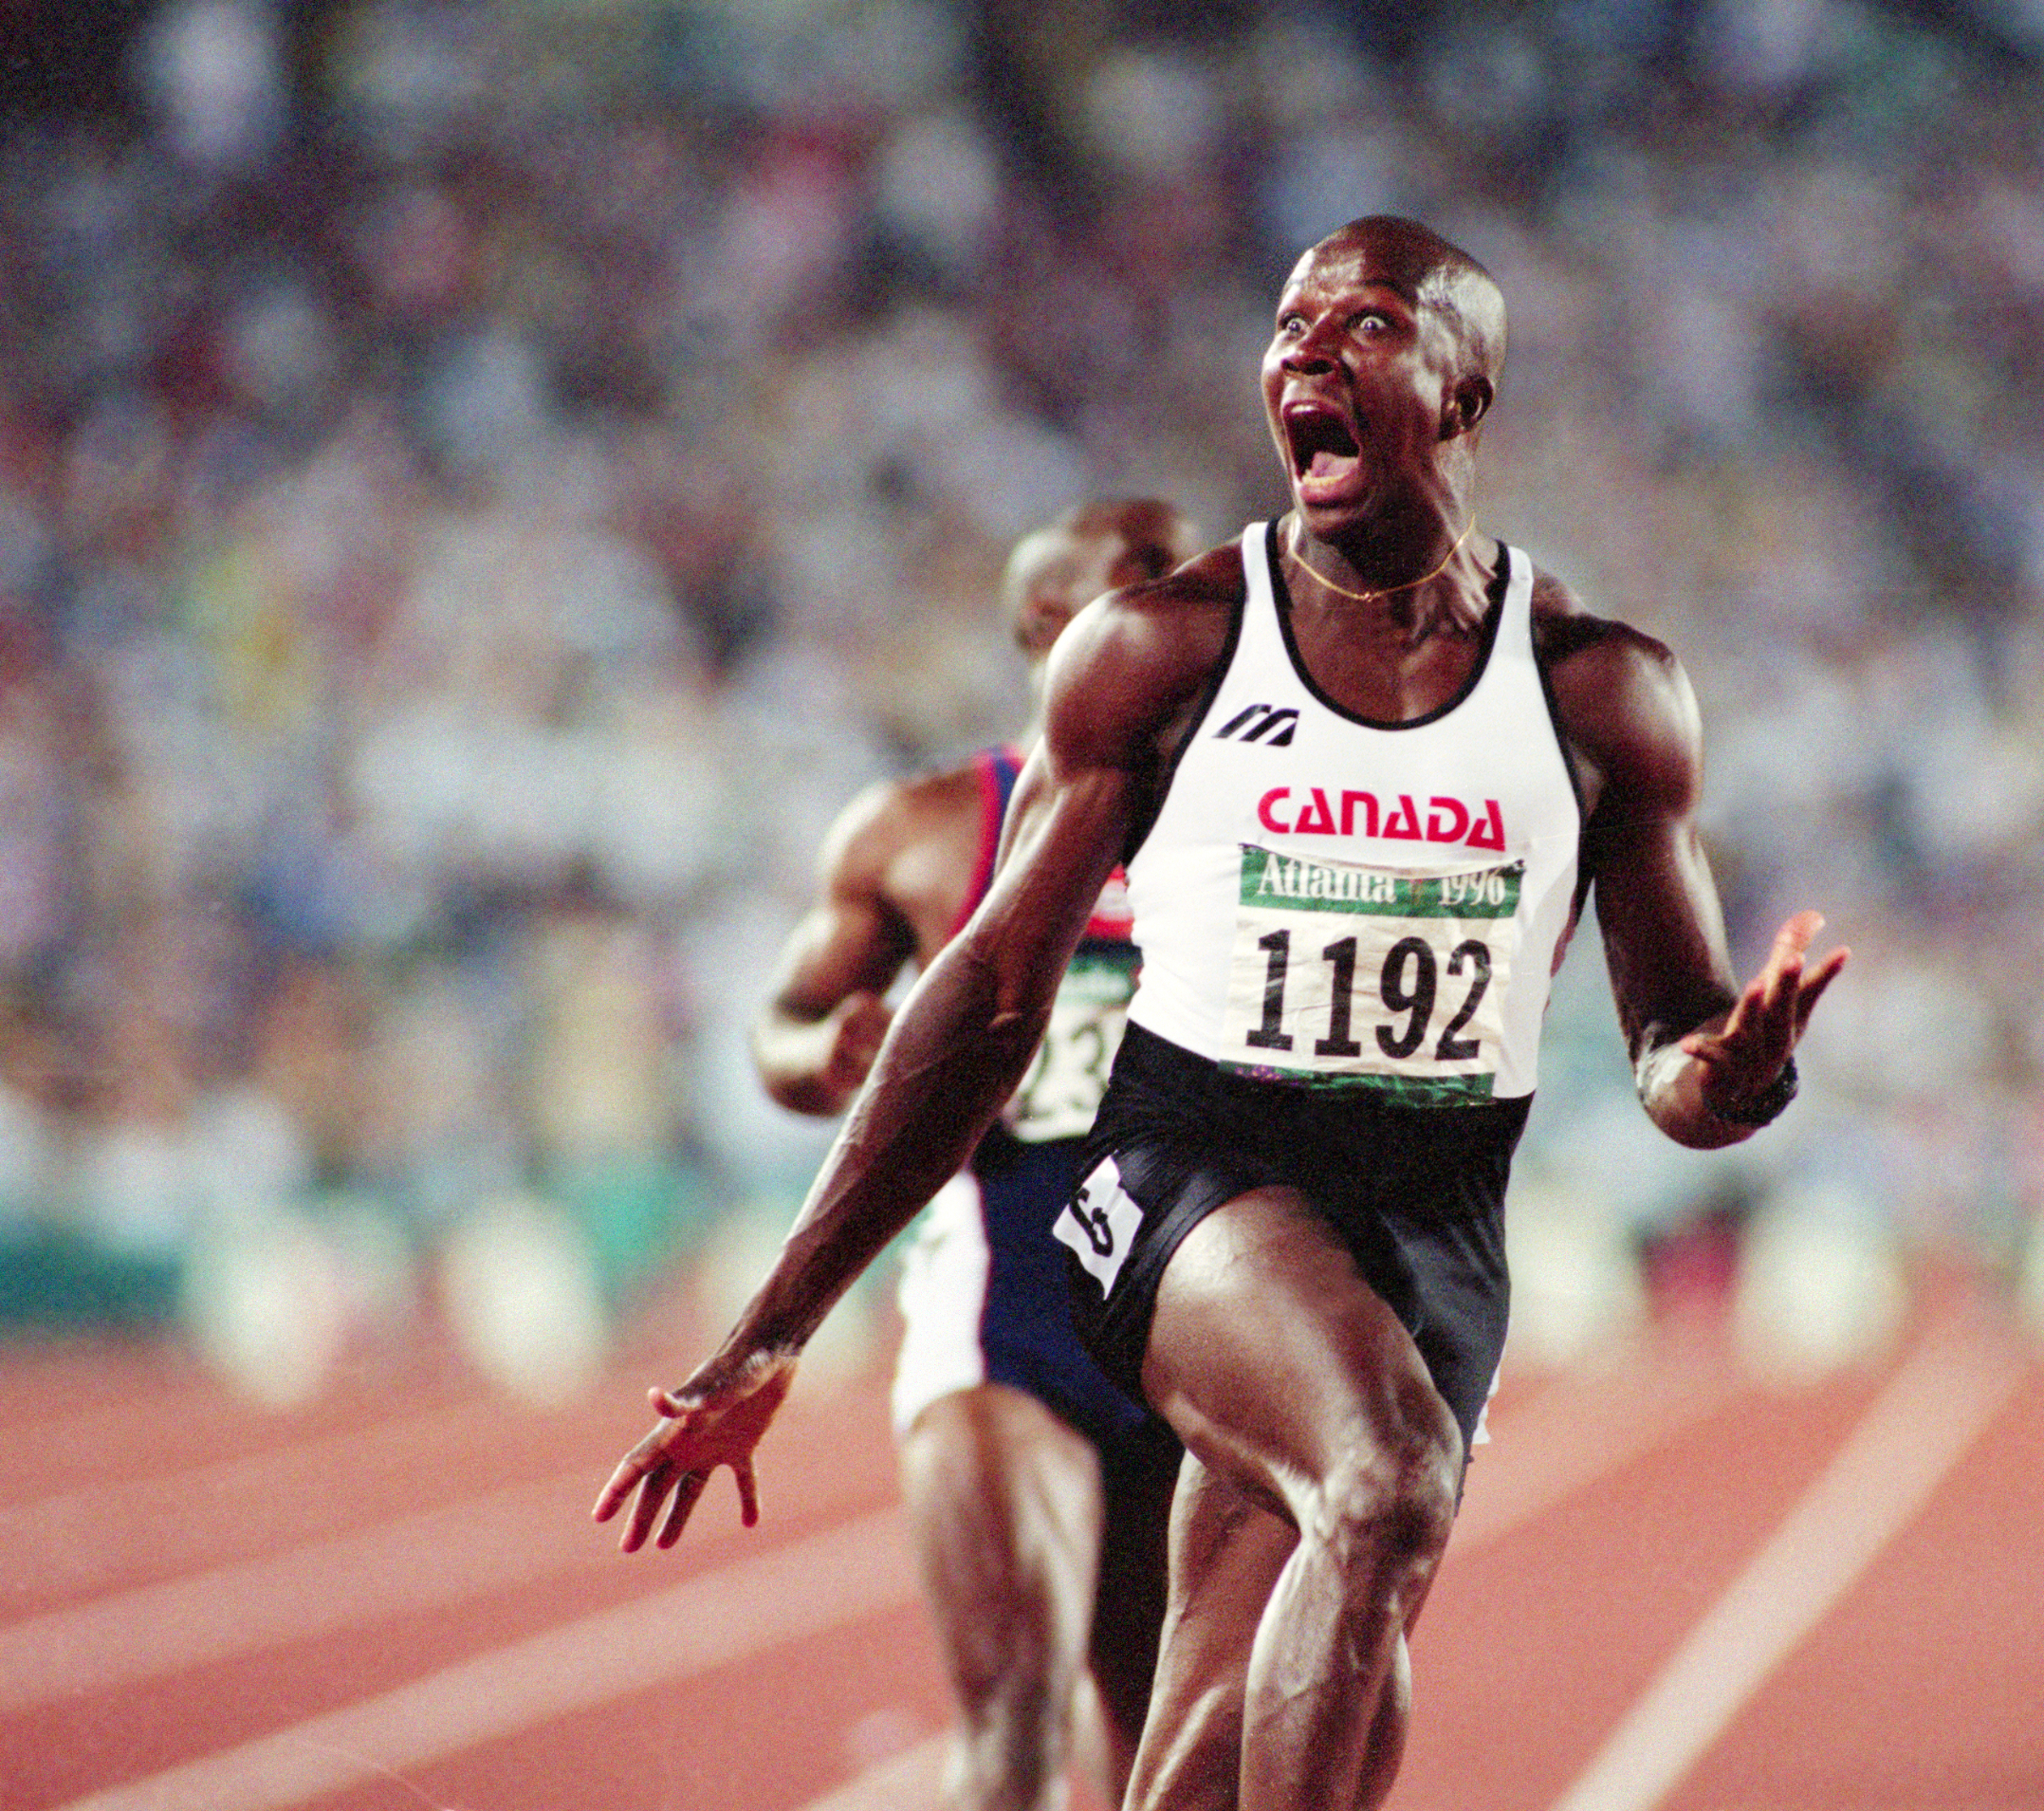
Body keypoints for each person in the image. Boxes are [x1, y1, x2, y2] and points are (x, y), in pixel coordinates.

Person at [598, 215, 1844, 1811]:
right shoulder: (1168, 650)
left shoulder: (1604, 692)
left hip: (1440, 1217)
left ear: (1465, 393)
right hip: (1188, 1169)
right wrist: (771, 1327)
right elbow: (984, 996)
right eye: (1287, 325)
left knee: (1248, 1687)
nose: (1307, 354)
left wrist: (1731, 1072)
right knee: (1386, 1481)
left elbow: (1677, 1045)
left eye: (1368, 324)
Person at [746, 498, 1195, 1811]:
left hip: (1195, 1325)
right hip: (1008, 1319)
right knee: (1014, 1720)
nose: (1198, 600)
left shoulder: (1264, 834)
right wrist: (827, 1048)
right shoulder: (931, 827)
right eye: (1152, 577)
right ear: (1054, 621)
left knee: (1173, 1746)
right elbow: (778, 1024)